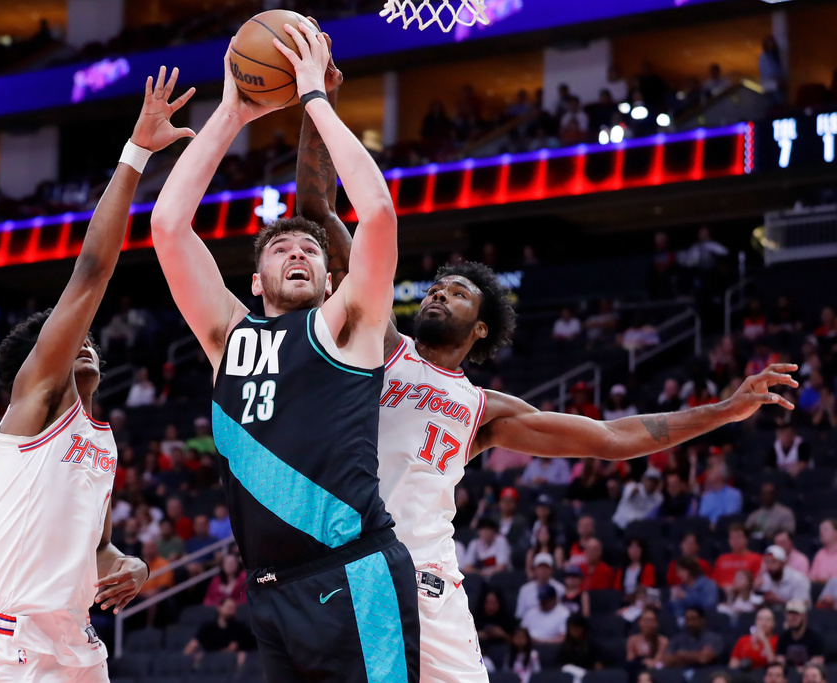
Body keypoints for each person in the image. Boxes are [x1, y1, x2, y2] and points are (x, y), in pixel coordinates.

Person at [299, 26, 798, 683]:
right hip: (348, 567)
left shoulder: (483, 409)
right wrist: (315, 105)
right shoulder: (378, 343)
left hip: (427, 578)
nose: (442, 295)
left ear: (480, 329)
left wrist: (726, 410)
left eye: (459, 293)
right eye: (440, 287)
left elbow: (614, 437)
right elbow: (313, 211)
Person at [150, 27, 419, 682]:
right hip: (270, 594)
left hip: (354, 575)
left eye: (311, 251)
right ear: (253, 280)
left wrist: (313, 101)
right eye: (280, 248)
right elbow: (166, 226)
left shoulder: (348, 326)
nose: (298, 252)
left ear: (332, 279)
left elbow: (378, 213)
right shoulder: (227, 335)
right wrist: (233, 111)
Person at [0, 67, 195, 682]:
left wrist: (130, 563)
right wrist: (137, 151)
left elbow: (95, 546)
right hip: (8, 636)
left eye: (88, 338)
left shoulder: (101, 437)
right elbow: (92, 272)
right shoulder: (33, 404)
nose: (81, 341)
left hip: (76, 638)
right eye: (65, 340)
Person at [183, 598, 255, 663]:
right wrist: (186, 656)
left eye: (233, 608)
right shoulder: (208, 628)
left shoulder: (240, 628)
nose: (231, 610)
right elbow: (194, 643)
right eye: (228, 607)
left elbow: (239, 649)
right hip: (209, 661)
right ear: (219, 608)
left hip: (230, 662)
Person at [775, 599, 825, 671]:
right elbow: (779, 659)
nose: (792, 617)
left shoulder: (815, 637)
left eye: (796, 614)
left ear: (804, 616)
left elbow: (819, 661)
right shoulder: (783, 637)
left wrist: (803, 669)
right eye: (789, 614)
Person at [517, 553, 565, 619]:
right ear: (534, 569)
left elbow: (561, 613)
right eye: (540, 567)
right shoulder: (525, 589)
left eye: (546, 567)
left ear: (552, 569)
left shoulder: (560, 588)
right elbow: (520, 614)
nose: (543, 570)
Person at [714, 524, 763, 589]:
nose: (735, 540)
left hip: (745, 594)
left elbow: (758, 581)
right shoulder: (721, 559)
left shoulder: (756, 558)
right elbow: (714, 581)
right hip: (722, 595)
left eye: (738, 537)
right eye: (732, 537)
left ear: (746, 539)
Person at [626, 608, 668, 673]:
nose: (648, 624)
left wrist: (644, 662)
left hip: (656, 673)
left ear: (656, 624)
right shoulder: (632, 640)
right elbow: (630, 661)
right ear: (640, 622)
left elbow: (658, 661)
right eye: (646, 620)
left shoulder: (663, 641)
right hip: (636, 672)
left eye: (651, 621)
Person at [810, 519, 837, 583]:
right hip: (820, 590)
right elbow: (812, 578)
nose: (821, 533)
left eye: (826, 530)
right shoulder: (820, 554)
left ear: (836, 532)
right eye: (820, 530)